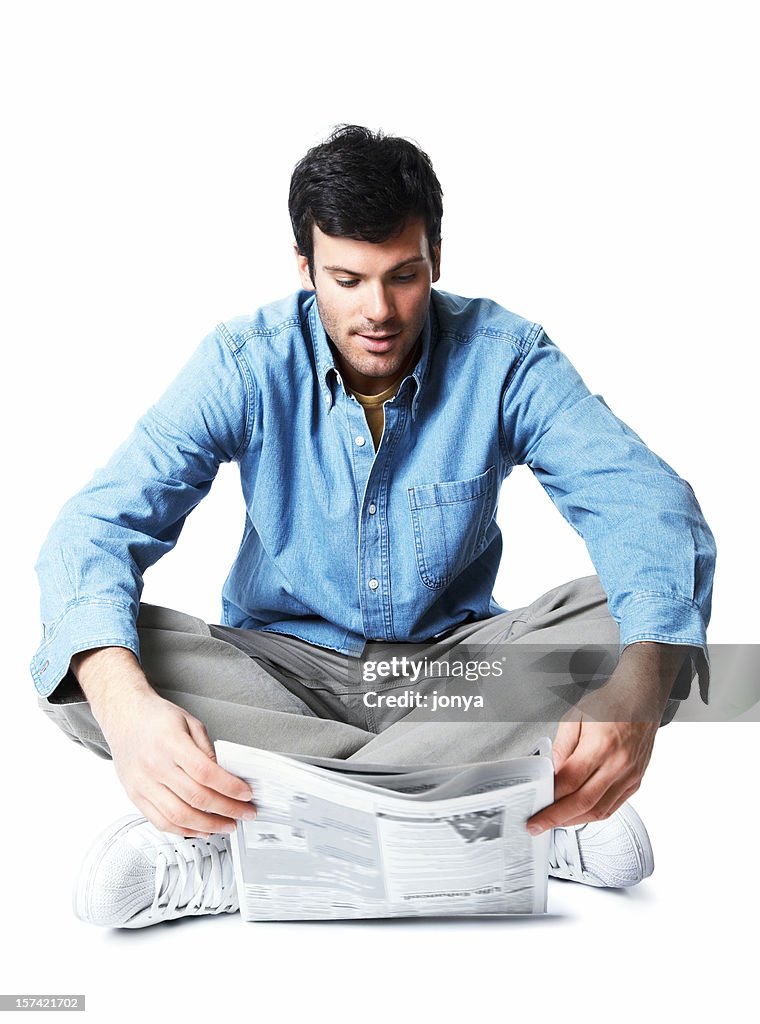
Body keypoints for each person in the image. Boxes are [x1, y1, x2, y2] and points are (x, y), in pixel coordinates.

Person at [31, 124, 716, 928]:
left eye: (405, 275)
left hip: (456, 680)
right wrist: (126, 706)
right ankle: (511, 813)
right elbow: (93, 528)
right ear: (305, 268)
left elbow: (649, 506)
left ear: (437, 261)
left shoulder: (506, 357)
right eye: (348, 279)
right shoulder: (244, 361)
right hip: (280, 679)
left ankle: (251, 835)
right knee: (88, 664)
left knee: (627, 620)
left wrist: (635, 693)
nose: (379, 311)